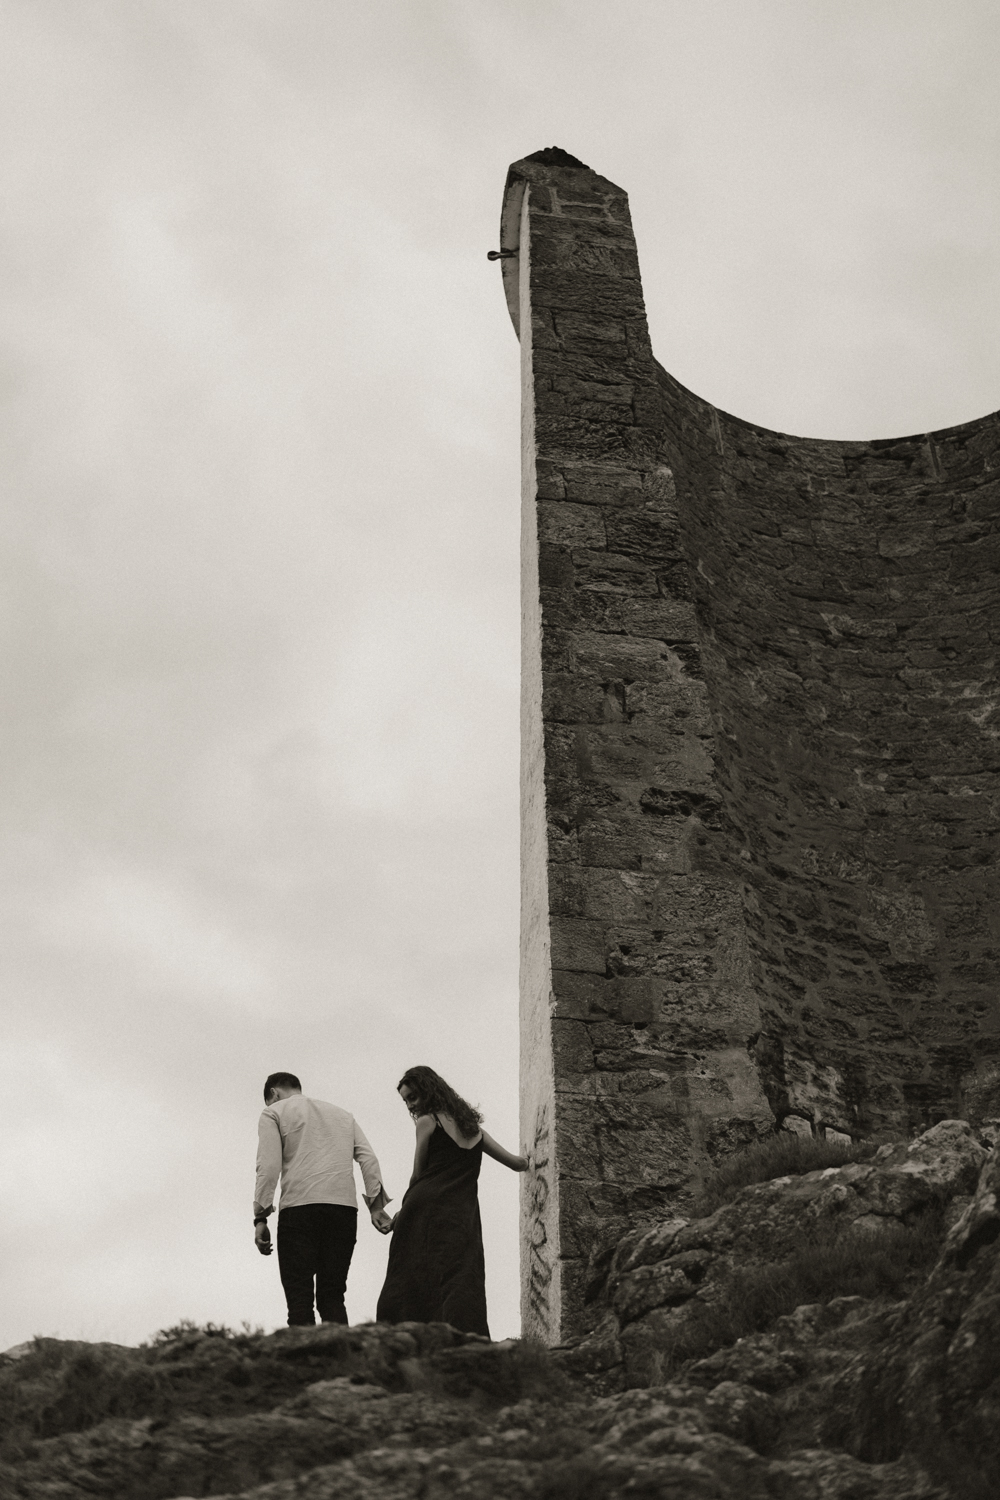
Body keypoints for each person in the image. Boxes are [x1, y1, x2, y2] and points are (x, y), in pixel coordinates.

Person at [376, 1065, 528, 1336]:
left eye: (413, 1097)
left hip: (424, 1207)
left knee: (409, 1274)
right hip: (461, 1214)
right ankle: (465, 1340)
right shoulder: (475, 1130)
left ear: (428, 1090)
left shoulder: (427, 1122)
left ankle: (401, 1339)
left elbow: (418, 1175)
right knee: (461, 1275)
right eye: (406, 1100)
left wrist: (401, 1214)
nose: (411, 1105)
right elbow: (517, 1164)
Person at [253, 1072, 393, 1327]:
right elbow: (368, 1159)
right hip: (343, 1211)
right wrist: (376, 1206)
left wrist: (260, 1216)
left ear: (273, 1093)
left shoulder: (273, 1113)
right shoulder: (342, 1115)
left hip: (299, 1209)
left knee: (299, 1299)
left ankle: (305, 1363)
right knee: (332, 1297)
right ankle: (342, 1359)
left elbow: (269, 1166)